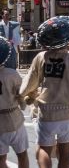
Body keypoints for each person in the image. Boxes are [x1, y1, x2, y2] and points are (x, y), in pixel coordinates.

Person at [20, 17, 69, 168]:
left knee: (44, 149)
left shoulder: (41, 57)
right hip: (67, 111)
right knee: (65, 150)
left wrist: (24, 95)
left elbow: (30, 82)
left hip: (46, 110)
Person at [0, 37, 27, 168]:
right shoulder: (11, 74)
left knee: (1, 159)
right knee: (22, 154)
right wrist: (23, 105)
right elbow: (21, 95)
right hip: (14, 117)